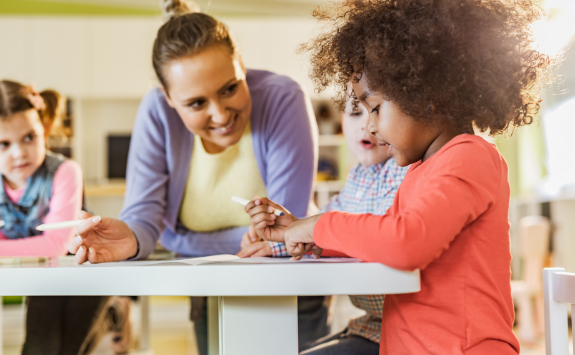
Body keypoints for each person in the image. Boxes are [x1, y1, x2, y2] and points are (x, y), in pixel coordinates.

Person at [245, 0, 554, 353]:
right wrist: (308, 236)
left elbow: (406, 242)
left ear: (427, 96)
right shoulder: (420, 170)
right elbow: (382, 235)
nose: (371, 126)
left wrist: (319, 224)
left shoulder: (470, 157)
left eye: (375, 108)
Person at [67, 0, 327, 353]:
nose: (220, 115)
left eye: (230, 88)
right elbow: (144, 219)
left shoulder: (282, 98)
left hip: (290, 279)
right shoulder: (156, 113)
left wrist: (183, 243)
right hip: (208, 283)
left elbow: (283, 232)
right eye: (196, 103)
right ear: (170, 100)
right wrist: (129, 237)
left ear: (242, 67)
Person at [239, 92, 409, 354]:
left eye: (376, 110)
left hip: (402, 332)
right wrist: (281, 238)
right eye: (355, 113)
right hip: (371, 326)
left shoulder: (408, 171)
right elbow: (322, 225)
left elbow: (374, 234)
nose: (366, 125)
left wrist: (298, 234)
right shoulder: (358, 178)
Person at [0, 80, 130, 355]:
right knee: (42, 348)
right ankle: (116, 313)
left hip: (85, 266)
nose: (19, 152)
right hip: (44, 273)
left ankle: (115, 313)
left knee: (71, 347)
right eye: (4, 143)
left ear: (44, 130)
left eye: (29, 137)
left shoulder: (65, 171)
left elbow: (56, 244)